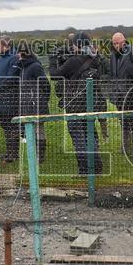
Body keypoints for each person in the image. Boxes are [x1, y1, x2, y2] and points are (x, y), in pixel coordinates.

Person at [51, 32, 103, 175]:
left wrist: (52, 59)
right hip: (91, 101)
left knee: (78, 137)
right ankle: (97, 166)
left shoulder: (73, 61)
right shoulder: (96, 59)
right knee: (90, 134)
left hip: (74, 102)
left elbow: (55, 75)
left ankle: (85, 168)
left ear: (77, 45)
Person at [14, 41, 51, 162]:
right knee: (30, 129)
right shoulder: (22, 67)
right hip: (26, 104)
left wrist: (41, 101)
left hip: (36, 105)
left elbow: (45, 85)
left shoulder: (35, 66)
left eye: (18, 52)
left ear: (21, 53)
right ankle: (33, 154)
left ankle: (40, 156)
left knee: (38, 129)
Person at [0, 37, 21, 163]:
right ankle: (9, 153)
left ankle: (14, 154)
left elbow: (12, 79)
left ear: (7, 46)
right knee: (5, 126)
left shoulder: (14, 58)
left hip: (10, 99)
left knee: (12, 127)